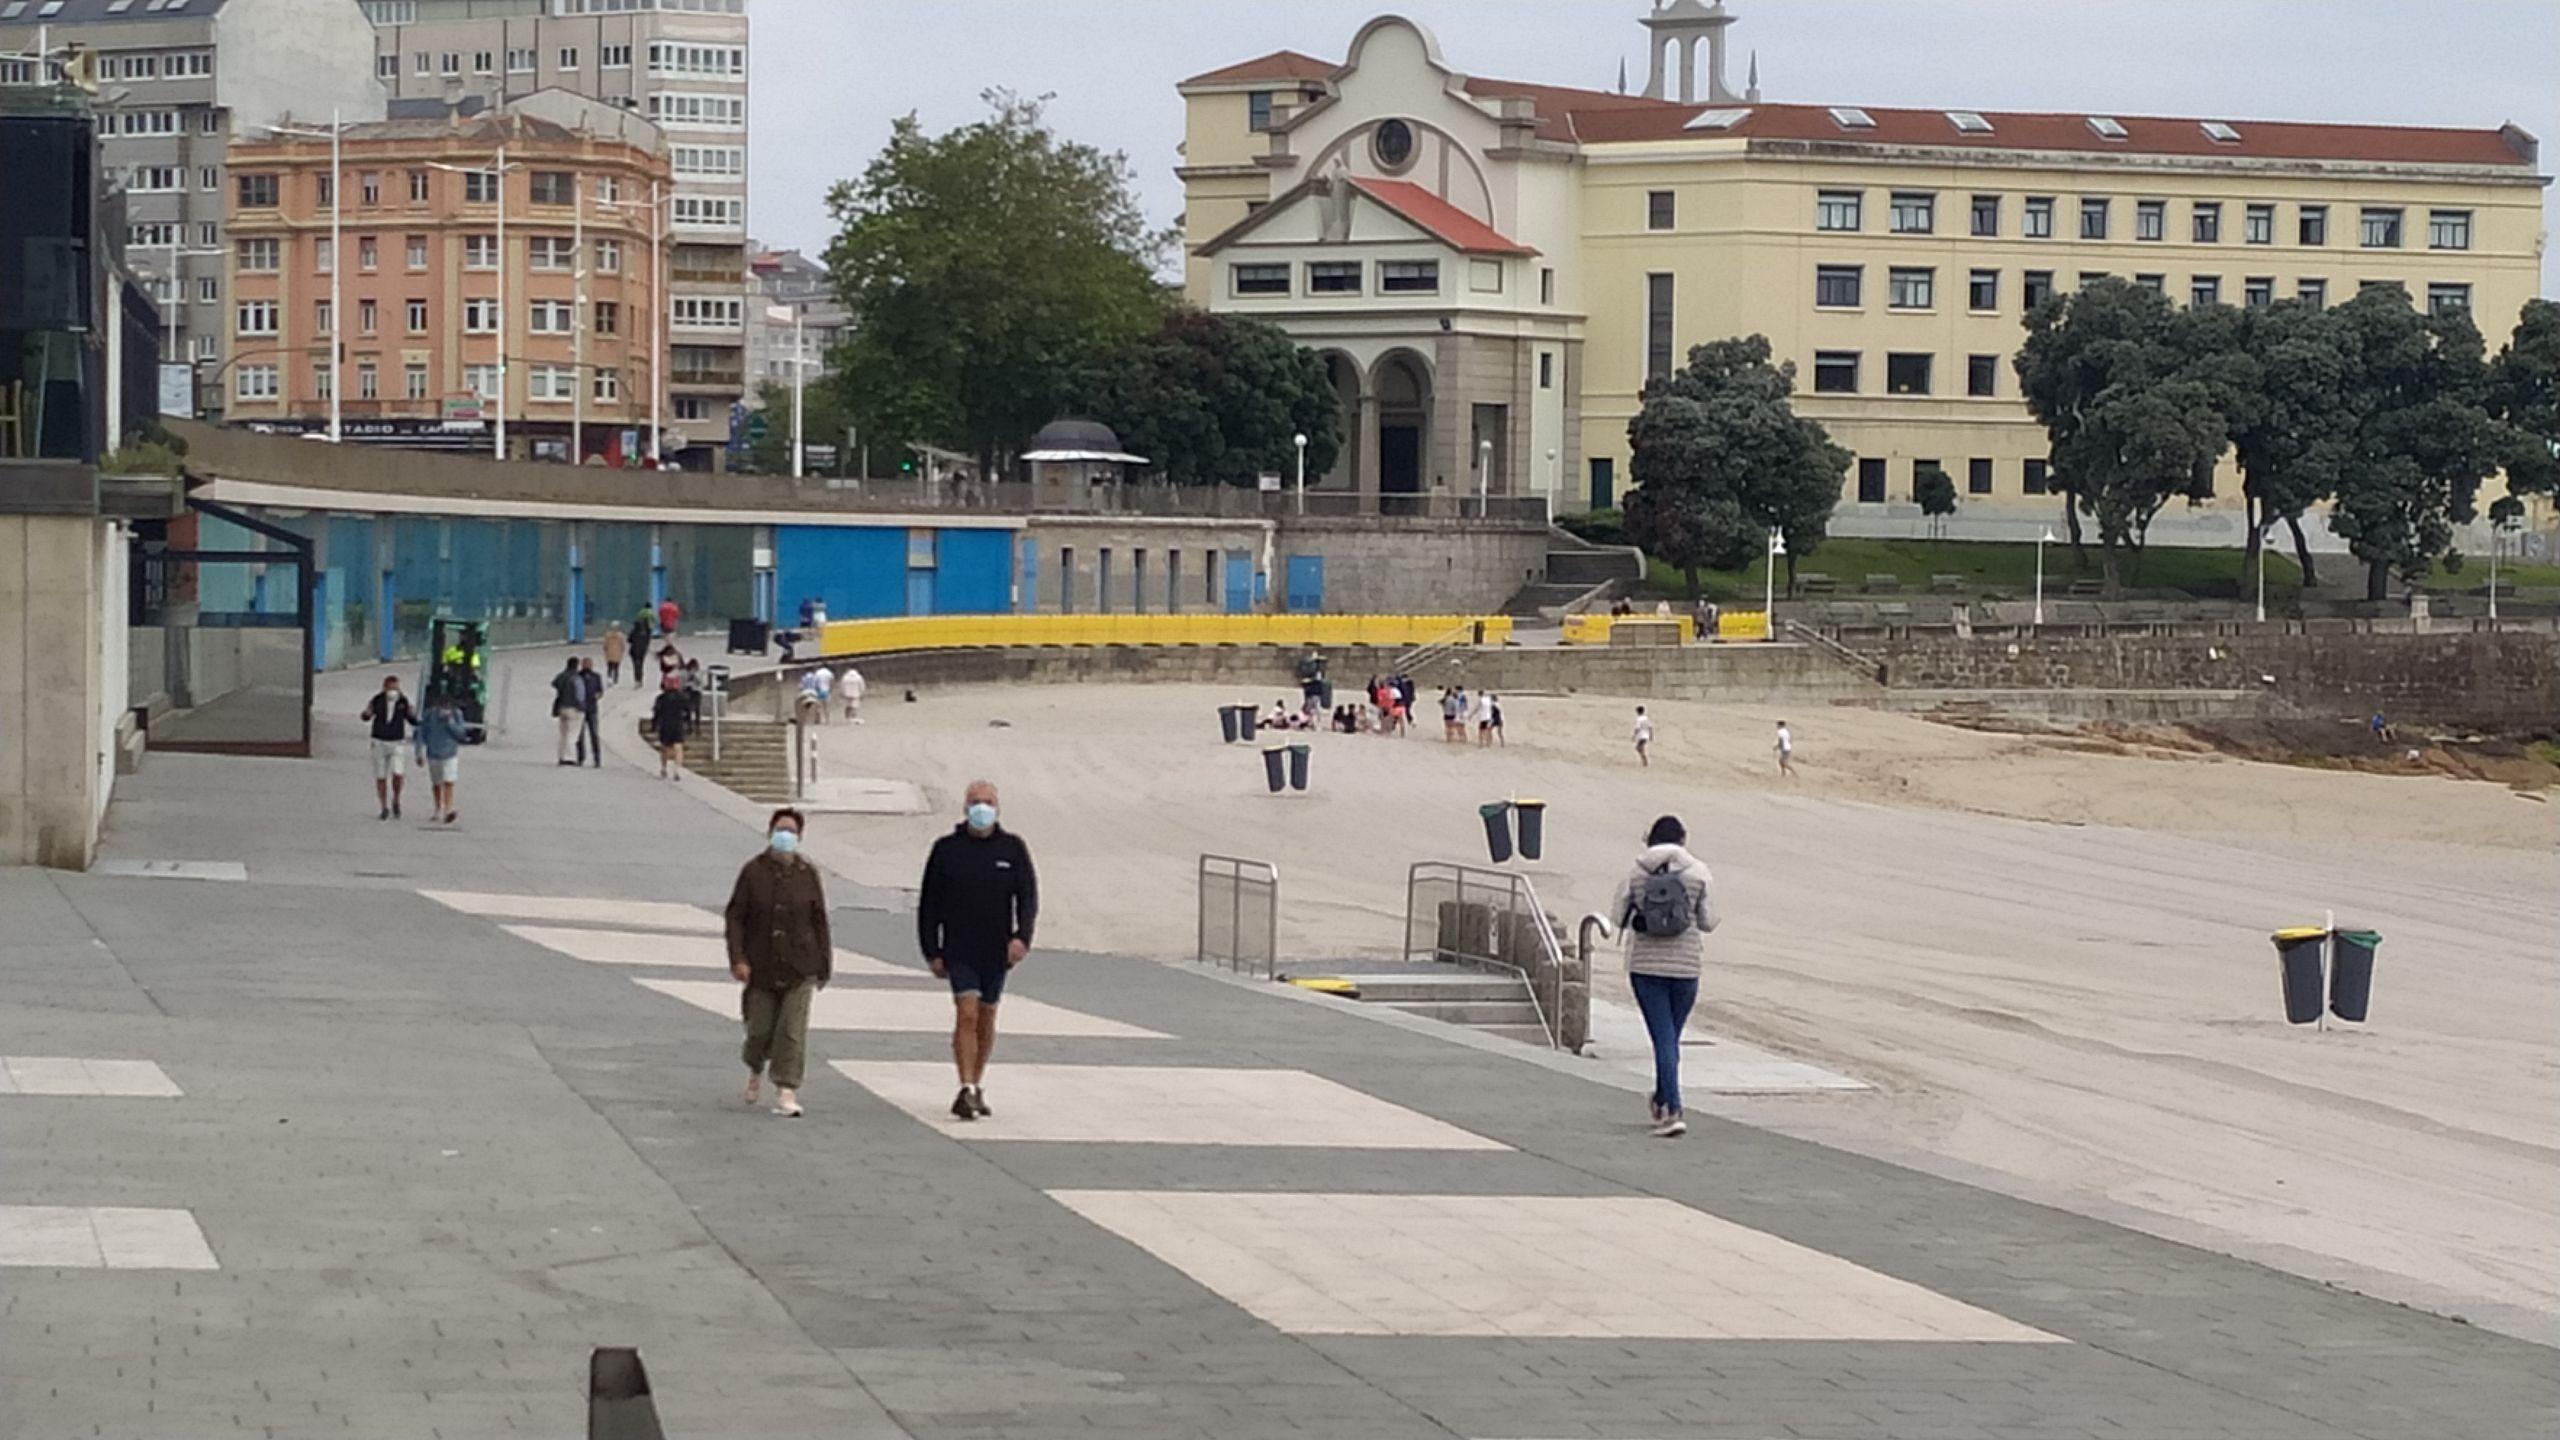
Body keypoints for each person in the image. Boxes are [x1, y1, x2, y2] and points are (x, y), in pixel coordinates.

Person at [916, 779, 1039, 1122]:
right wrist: (932, 950)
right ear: (965, 807)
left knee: (987, 1016)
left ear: (997, 808)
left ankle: (977, 1083)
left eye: (987, 801)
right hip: (959, 948)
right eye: (974, 801)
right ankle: (965, 1086)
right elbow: (929, 904)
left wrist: (1022, 938)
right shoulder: (946, 849)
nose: (981, 807)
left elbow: (1027, 898)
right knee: (966, 1012)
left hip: (996, 950)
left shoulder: (1012, 849)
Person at [1611, 815, 1716, 1139]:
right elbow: (1708, 921)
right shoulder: (1698, 872)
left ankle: (1671, 1109)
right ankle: (1663, 1100)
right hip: (1686, 969)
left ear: (1650, 840)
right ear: (1683, 839)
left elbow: (1617, 917)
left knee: (1663, 1039)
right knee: (1669, 1040)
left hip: (1646, 967)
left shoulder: (1636, 872)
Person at [724, 808, 831, 1118]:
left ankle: (787, 1088)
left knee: (791, 1031)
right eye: (781, 829)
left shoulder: (807, 873)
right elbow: (735, 917)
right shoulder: (753, 872)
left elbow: (819, 919)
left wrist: (824, 963)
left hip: (801, 965)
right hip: (760, 965)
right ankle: (755, 1066)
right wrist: (738, 958)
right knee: (759, 1030)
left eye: (792, 831)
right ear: (770, 832)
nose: (787, 836)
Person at [360, 674, 417, 820]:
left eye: (396, 688)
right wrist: (367, 713)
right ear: (385, 688)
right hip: (379, 740)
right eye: (390, 688)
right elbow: (366, 716)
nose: (393, 691)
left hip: (397, 741)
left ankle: (396, 799)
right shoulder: (377, 700)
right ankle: (383, 806)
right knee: (381, 775)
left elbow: (412, 720)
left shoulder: (403, 701)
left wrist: (412, 714)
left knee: (398, 773)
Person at [413, 687, 468, 824]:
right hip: (434, 753)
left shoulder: (456, 715)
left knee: (449, 782)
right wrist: (418, 752)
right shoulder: (429, 715)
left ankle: (448, 809)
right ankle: (438, 807)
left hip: (450, 754)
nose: (444, 709)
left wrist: (450, 722)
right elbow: (421, 733)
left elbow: (461, 734)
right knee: (437, 783)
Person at [650, 674, 691, 781]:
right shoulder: (682, 697)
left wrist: (653, 726)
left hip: (665, 724)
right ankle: (677, 770)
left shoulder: (661, 698)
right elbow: (688, 711)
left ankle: (664, 768)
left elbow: (656, 713)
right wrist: (689, 724)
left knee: (664, 748)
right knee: (678, 748)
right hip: (678, 724)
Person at [550, 658, 585, 766]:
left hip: (562, 707)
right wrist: (582, 706)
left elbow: (554, 683)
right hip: (574, 708)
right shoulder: (576, 678)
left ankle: (561, 756)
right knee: (573, 734)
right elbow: (580, 694)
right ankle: (570, 757)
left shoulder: (561, 676)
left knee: (563, 734)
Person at [575, 658, 605, 767]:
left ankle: (597, 758)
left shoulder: (596, 677)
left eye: (588, 664)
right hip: (580, 709)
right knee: (579, 735)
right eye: (585, 664)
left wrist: (597, 696)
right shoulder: (577, 677)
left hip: (592, 709)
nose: (587, 666)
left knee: (594, 735)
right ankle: (580, 757)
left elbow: (600, 691)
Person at [626, 615, 652, 688]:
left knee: (635, 665)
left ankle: (637, 680)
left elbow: (629, 640)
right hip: (642, 651)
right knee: (640, 665)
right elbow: (647, 641)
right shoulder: (645, 632)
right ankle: (640, 679)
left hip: (634, 651)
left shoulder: (633, 632)